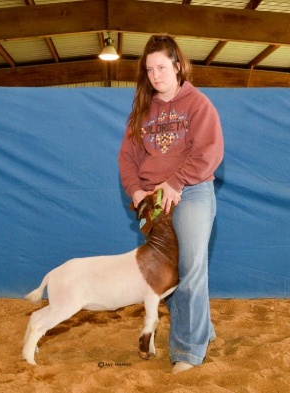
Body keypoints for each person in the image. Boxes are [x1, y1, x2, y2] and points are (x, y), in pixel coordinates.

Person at [118, 34, 224, 374]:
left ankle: (187, 351)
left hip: (191, 191)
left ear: (178, 66)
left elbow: (209, 152)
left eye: (162, 67)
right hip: (152, 199)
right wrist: (136, 191)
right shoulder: (141, 109)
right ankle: (201, 333)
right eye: (149, 70)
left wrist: (175, 182)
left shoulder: (198, 104)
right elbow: (127, 157)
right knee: (168, 275)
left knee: (191, 269)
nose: (155, 76)